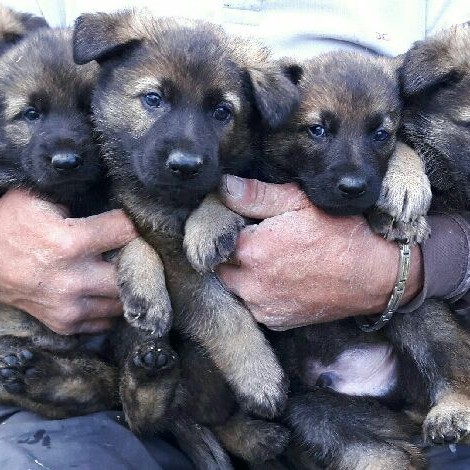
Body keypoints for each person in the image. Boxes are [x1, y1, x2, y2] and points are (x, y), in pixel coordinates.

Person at [0, 1, 469, 469]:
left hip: (380, 355)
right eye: (153, 100)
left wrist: (415, 265)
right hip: (138, 385)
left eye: (221, 111)